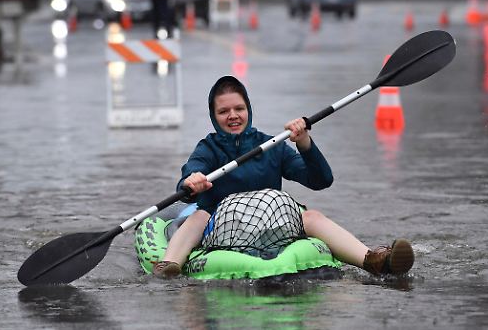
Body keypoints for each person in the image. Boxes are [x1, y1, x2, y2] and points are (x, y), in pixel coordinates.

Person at [153, 76, 414, 278]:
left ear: (248, 110)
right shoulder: (208, 148)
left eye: (239, 108)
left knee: (311, 216)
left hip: (273, 222)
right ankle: (171, 264)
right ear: (214, 116)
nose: (233, 116)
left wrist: (305, 142)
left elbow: (321, 180)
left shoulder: (271, 145)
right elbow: (190, 172)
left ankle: (373, 260)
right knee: (198, 215)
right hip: (222, 227)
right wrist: (191, 181)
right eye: (224, 111)